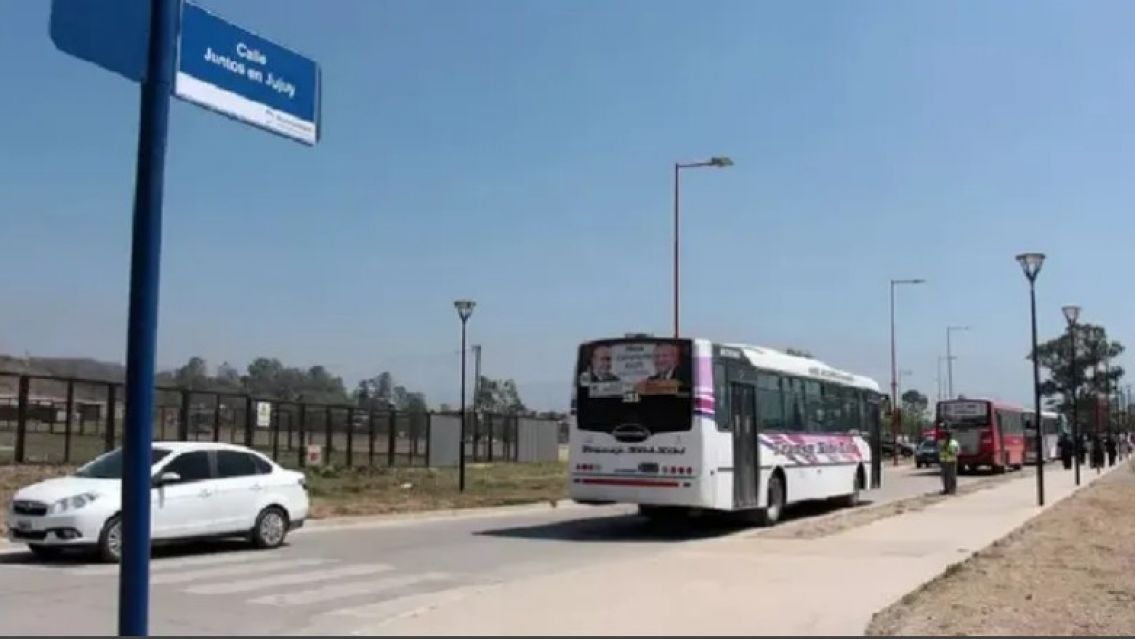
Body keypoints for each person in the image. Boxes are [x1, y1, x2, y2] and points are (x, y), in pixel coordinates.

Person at [938, 428, 960, 495]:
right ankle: (946, 489)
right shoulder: (942, 443)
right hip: (944, 462)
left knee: (952, 476)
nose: (947, 436)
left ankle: (953, 490)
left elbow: (958, 451)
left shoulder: (954, 442)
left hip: (952, 462)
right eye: (947, 435)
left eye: (949, 435)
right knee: (944, 477)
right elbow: (939, 451)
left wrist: (953, 452)